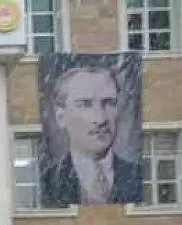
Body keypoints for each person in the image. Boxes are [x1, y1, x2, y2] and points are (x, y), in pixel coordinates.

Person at [42, 65, 143, 207]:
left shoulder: (139, 177)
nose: (101, 119)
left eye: (109, 103)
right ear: (61, 117)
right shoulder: (46, 182)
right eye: (85, 105)